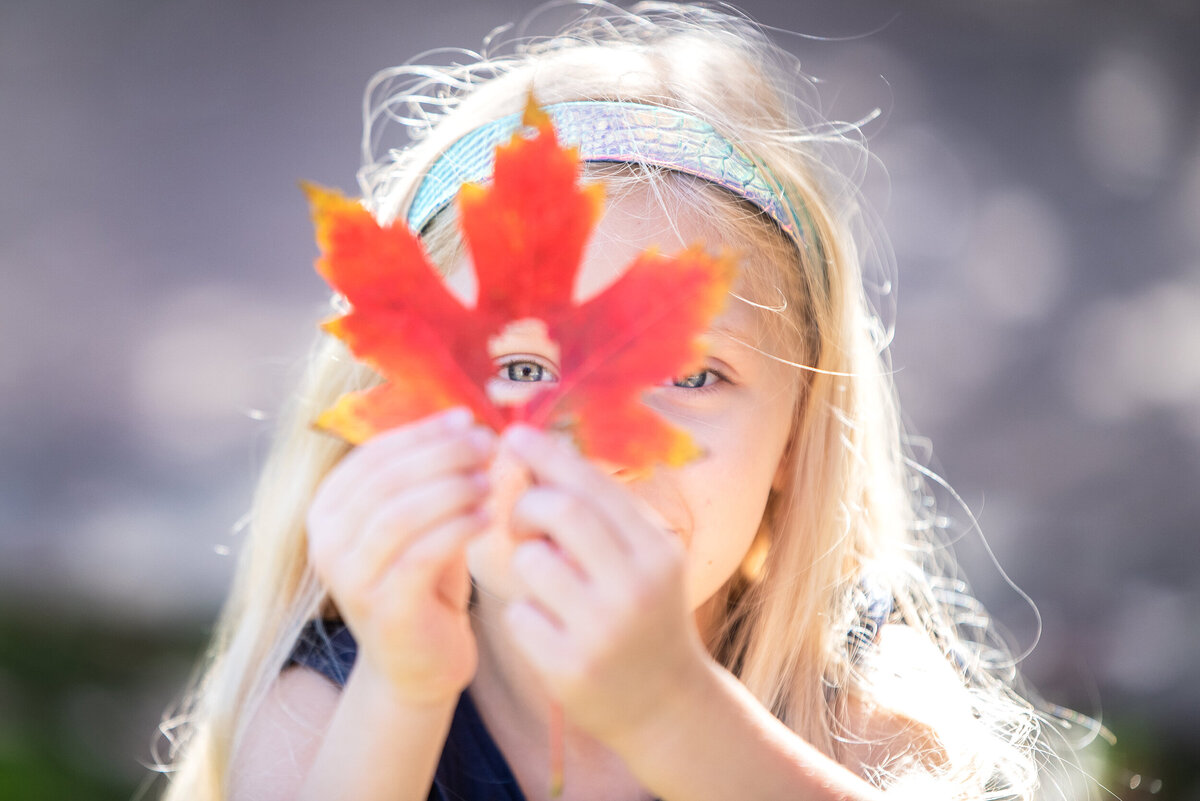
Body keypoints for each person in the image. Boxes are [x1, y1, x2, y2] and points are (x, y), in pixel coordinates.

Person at [158, 4, 1082, 799]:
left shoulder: (851, 695)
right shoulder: (329, 706)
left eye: (692, 376)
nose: (599, 444)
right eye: (520, 367)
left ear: (793, 448)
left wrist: (671, 708)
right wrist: (406, 688)